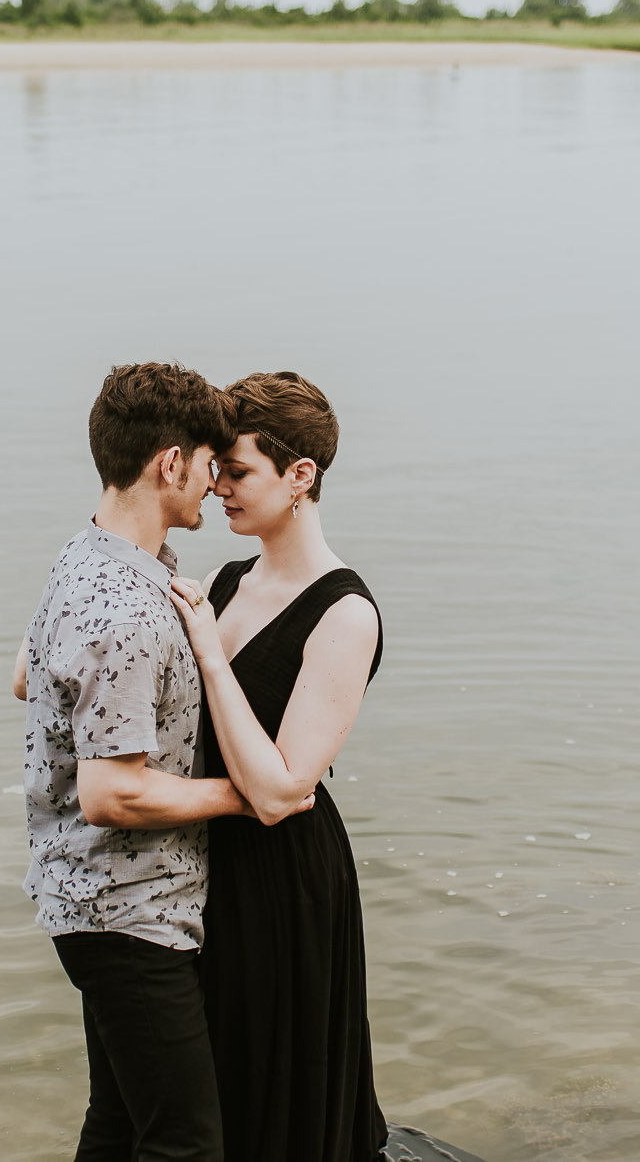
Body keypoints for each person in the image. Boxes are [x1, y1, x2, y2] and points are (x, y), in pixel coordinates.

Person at [13, 361, 309, 1162]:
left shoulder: (88, 560)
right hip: (128, 912)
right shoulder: (127, 606)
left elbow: (22, 675)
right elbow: (113, 795)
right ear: (169, 463)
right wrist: (241, 796)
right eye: (209, 464)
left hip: (91, 900)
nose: (215, 484)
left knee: (120, 1124)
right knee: (185, 1144)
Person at [164, 371, 419, 1162]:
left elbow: (281, 789)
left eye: (236, 471)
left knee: (277, 1083)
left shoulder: (346, 612)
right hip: (211, 864)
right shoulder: (231, 581)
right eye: (216, 470)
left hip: (285, 878)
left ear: (299, 475)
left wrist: (209, 650)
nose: (220, 487)